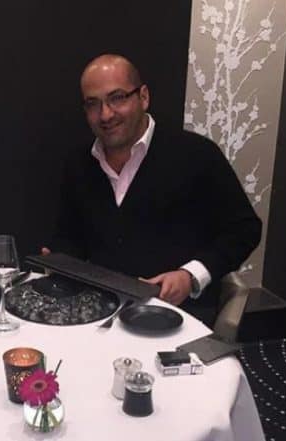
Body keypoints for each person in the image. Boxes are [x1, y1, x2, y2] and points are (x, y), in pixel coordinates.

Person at [44, 54, 261, 324]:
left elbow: (244, 229)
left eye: (117, 98)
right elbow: (69, 236)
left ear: (143, 97)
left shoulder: (197, 155)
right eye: (93, 104)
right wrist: (60, 261)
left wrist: (190, 276)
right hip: (100, 312)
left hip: (178, 316)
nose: (106, 114)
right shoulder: (79, 164)